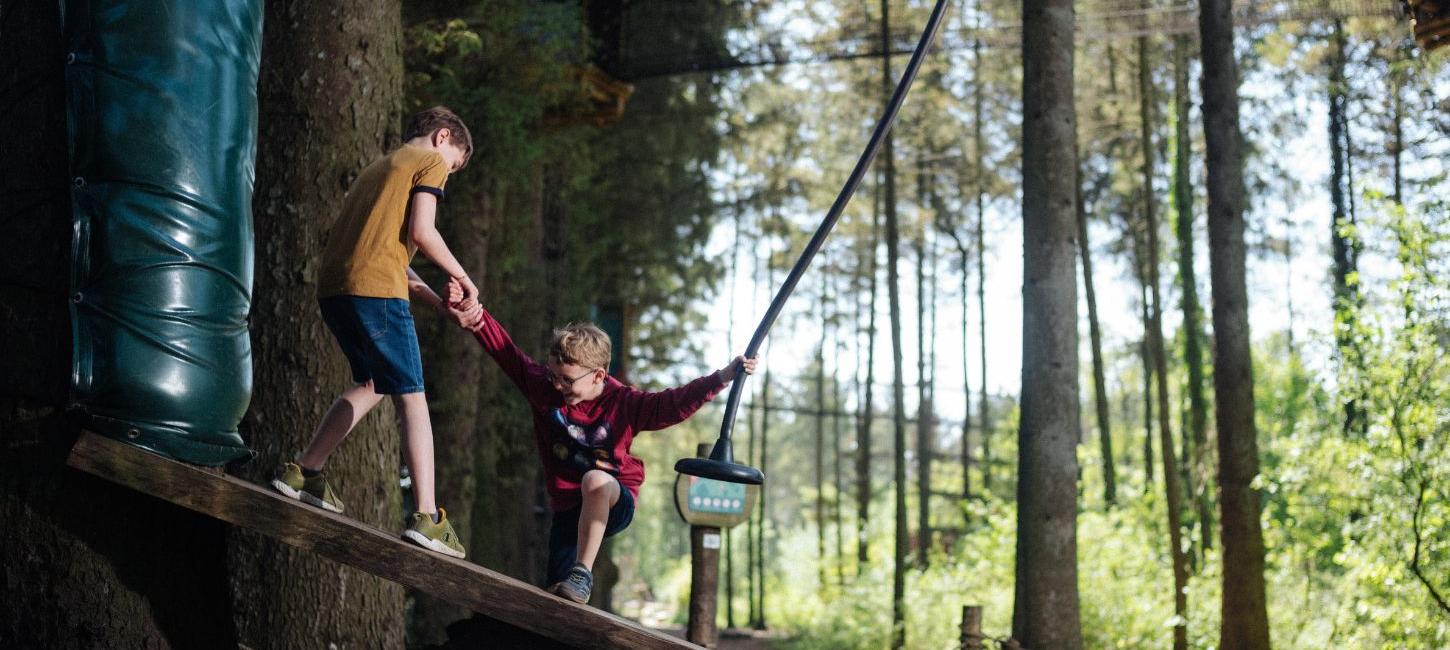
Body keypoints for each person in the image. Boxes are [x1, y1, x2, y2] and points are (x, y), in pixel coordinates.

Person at [449, 279, 757, 603]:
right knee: (555, 599)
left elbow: (673, 403)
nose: (557, 386)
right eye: (554, 376)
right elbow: (507, 352)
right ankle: (569, 589)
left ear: (598, 375)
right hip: (569, 510)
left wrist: (723, 376)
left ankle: (584, 573)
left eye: (567, 380)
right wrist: (475, 315)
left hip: (613, 500)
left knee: (595, 480)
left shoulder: (624, 403)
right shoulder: (545, 389)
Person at [270, 106, 484, 559]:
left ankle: (305, 472)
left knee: (373, 383)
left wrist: (440, 304)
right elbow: (423, 233)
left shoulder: (378, 169)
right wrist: (464, 279)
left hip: (336, 291)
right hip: (376, 292)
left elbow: (391, 259)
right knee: (412, 395)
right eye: (455, 164)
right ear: (443, 137)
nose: (450, 173)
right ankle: (427, 516)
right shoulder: (429, 162)